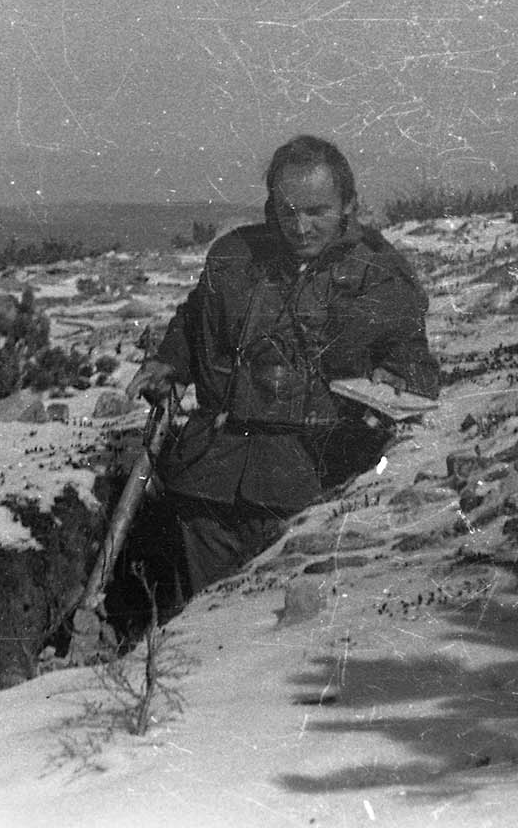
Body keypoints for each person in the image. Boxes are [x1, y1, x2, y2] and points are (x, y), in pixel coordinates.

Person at [124, 135, 440, 604]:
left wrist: (397, 377)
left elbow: (411, 357)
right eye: (288, 211)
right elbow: (196, 319)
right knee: (200, 623)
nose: (300, 226)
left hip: (310, 484)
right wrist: (169, 361)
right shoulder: (234, 255)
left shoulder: (378, 271)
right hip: (211, 481)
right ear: (271, 204)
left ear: (348, 205)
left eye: (317, 211)